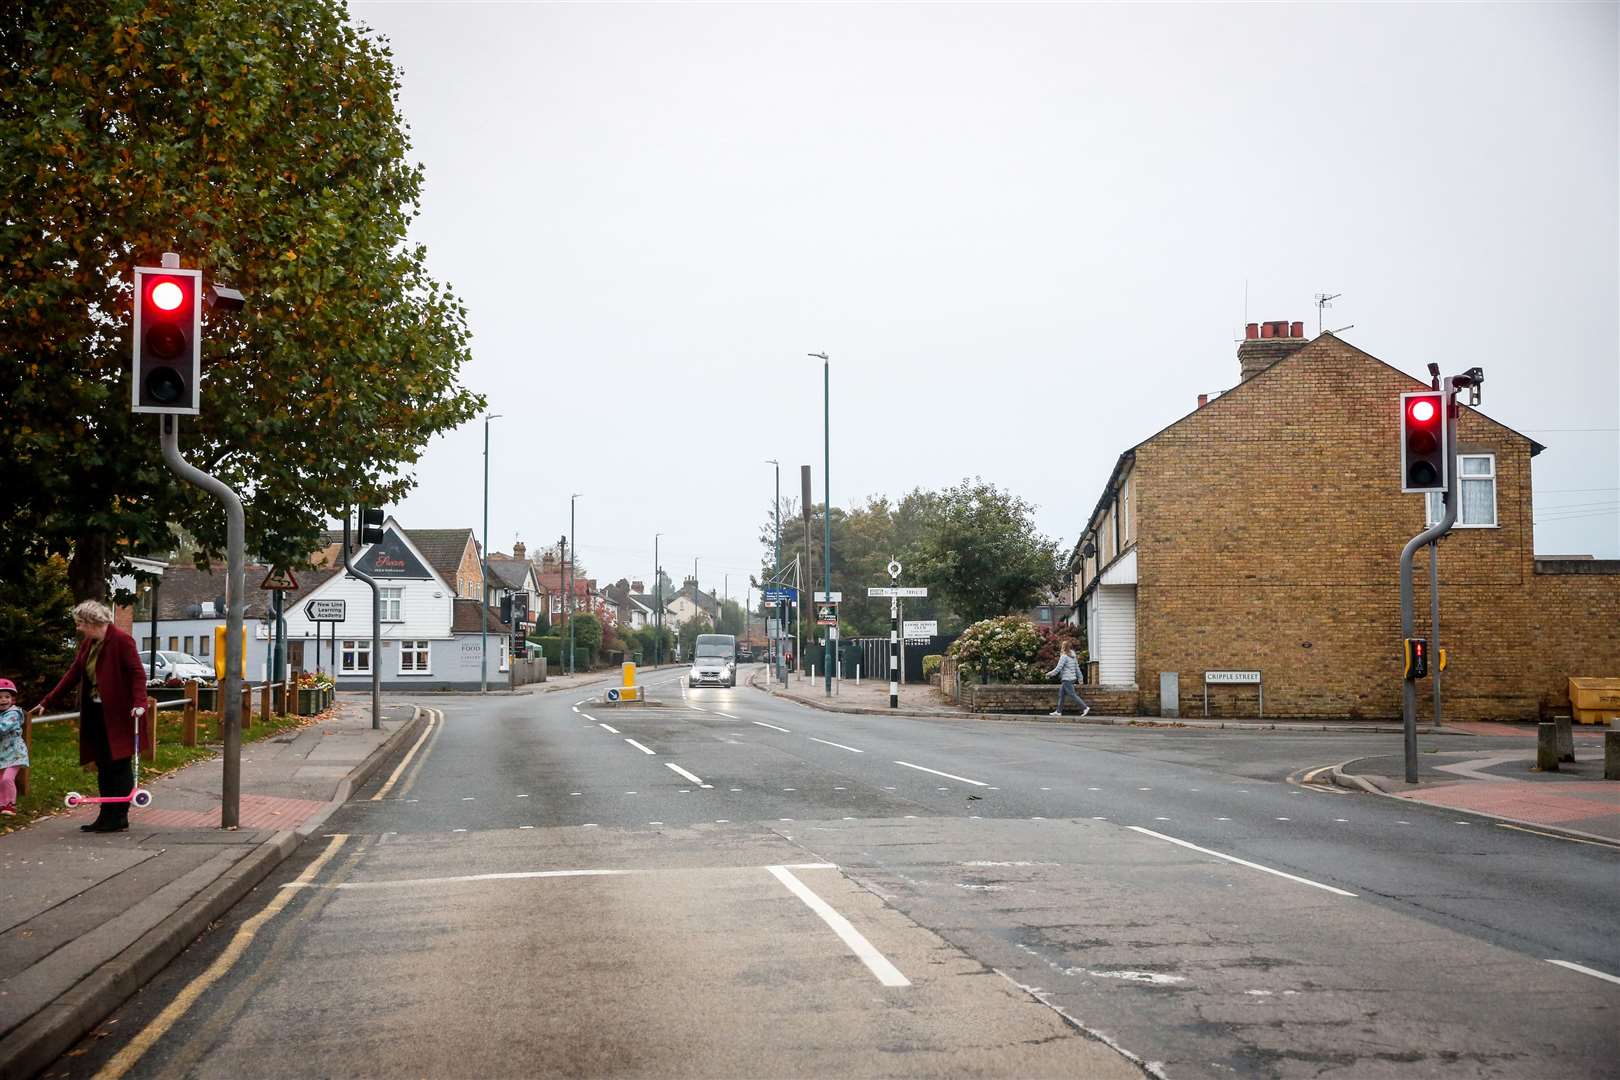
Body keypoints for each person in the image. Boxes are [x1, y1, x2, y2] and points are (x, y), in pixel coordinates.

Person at [29, 600, 149, 832]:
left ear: (93, 623)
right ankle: (105, 815)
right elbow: (73, 673)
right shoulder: (89, 643)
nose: (78, 628)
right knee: (103, 763)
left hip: (120, 712)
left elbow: (137, 674)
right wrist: (48, 701)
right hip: (97, 711)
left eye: (81, 623)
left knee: (119, 763)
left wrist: (139, 703)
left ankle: (119, 815)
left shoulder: (122, 641)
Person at [0, 679, 27, 816]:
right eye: (0, 697)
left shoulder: (13, 714)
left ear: (12, 699)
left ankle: (10, 804)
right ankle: (2, 804)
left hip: (15, 753)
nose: (3, 700)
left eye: (7, 697)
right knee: (0, 780)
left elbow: (3, 728)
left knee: (7, 779)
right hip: (3, 753)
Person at [1047, 641, 1090, 718]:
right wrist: (1080, 678)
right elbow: (1077, 668)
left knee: (1072, 694)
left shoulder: (1064, 656)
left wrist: (1050, 673)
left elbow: (1058, 668)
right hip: (1071, 678)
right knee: (1062, 695)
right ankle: (1058, 711)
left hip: (1067, 679)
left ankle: (1085, 707)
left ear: (1063, 647)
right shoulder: (1073, 656)